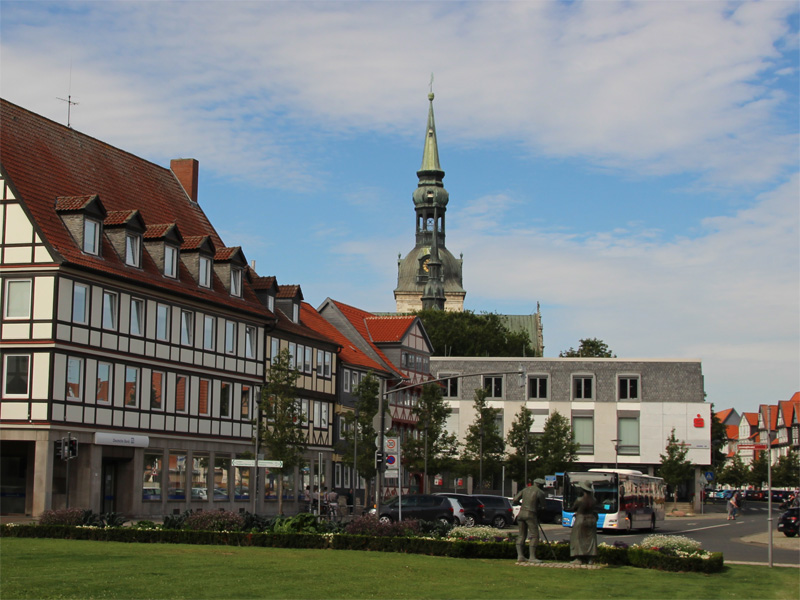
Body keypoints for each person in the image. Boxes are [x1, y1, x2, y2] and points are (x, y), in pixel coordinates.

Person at [512, 478, 547, 563]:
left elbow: (515, 500)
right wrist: (538, 514)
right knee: (535, 536)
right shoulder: (540, 492)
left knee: (521, 535)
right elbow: (543, 507)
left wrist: (522, 504)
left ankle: (520, 556)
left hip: (521, 514)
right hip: (531, 514)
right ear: (539, 485)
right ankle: (532, 557)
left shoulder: (525, 490)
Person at [569, 481, 598, 565]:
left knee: (577, 538)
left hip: (581, 518)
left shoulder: (580, 499)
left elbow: (573, 507)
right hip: (591, 519)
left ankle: (578, 558)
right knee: (591, 539)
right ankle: (590, 559)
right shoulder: (594, 500)